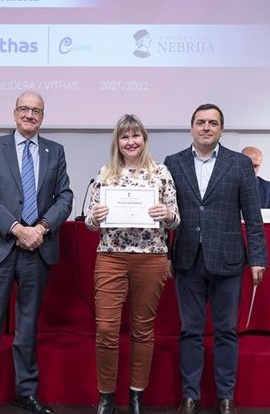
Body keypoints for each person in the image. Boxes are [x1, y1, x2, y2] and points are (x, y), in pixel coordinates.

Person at [0, 92, 73, 414]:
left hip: (39, 249)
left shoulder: (55, 151)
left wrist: (42, 228)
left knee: (28, 326)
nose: (30, 115)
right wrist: (18, 229)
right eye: (25, 109)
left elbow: (65, 196)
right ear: (14, 113)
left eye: (36, 111)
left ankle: (26, 392)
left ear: (42, 117)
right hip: (1, 248)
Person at [164, 104, 267, 414]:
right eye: (200, 122)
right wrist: (165, 255)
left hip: (229, 259)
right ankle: (190, 397)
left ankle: (225, 397)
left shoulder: (239, 165)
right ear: (191, 127)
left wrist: (258, 258)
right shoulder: (173, 163)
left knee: (225, 331)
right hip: (186, 259)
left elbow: (253, 215)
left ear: (221, 129)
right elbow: (167, 214)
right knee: (190, 331)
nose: (206, 127)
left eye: (212, 123)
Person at [85, 115, 180, 414]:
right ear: (118, 142)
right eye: (125, 137)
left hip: (151, 257)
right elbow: (89, 221)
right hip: (111, 256)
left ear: (144, 139)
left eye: (136, 136)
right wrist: (95, 217)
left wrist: (165, 212)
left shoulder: (160, 173)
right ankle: (106, 397)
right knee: (106, 329)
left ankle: (136, 395)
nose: (131, 142)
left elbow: (176, 218)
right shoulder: (106, 173)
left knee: (143, 329)